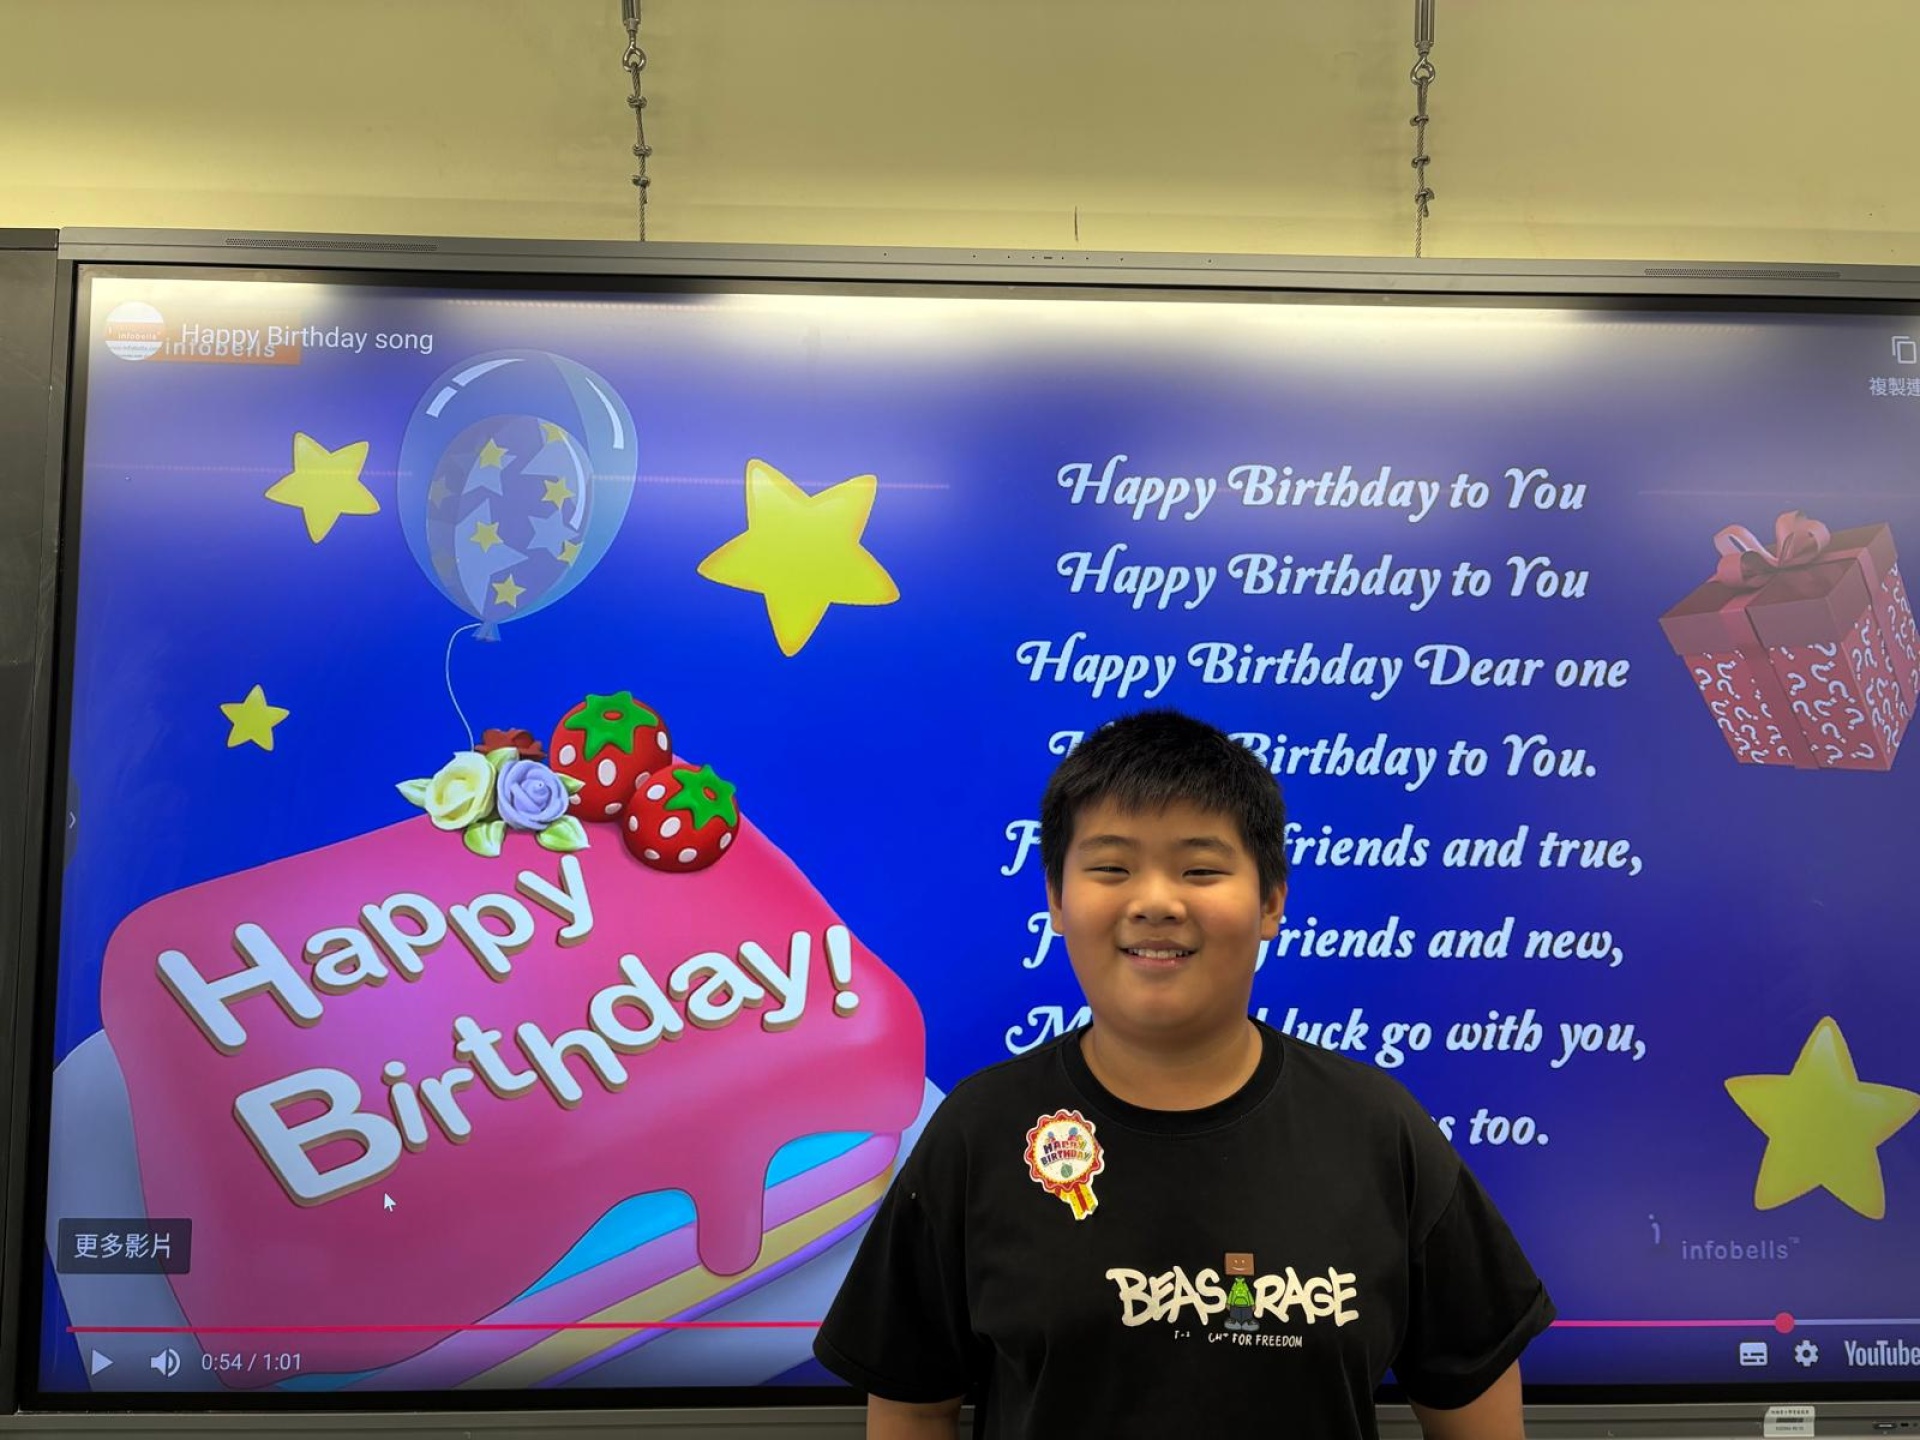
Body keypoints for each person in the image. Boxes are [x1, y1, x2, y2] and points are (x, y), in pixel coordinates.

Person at [815, 709, 1554, 1438]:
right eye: (1111, 868)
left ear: (1271, 902)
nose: (1156, 903)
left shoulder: (1378, 1130)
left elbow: (1475, 1406)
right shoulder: (979, 1132)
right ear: (1057, 899)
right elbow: (913, 1407)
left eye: (1200, 869)